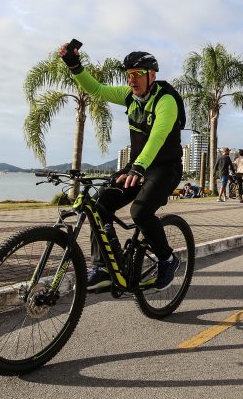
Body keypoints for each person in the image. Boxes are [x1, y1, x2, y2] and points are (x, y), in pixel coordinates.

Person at [59, 42, 184, 292]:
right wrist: (74, 66)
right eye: (128, 75)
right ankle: (105, 266)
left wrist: (137, 167)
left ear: (152, 75)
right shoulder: (129, 96)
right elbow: (96, 89)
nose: (131, 81)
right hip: (137, 167)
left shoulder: (166, 100)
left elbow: (158, 136)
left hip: (165, 168)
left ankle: (167, 259)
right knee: (98, 206)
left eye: (137, 75)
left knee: (140, 212)